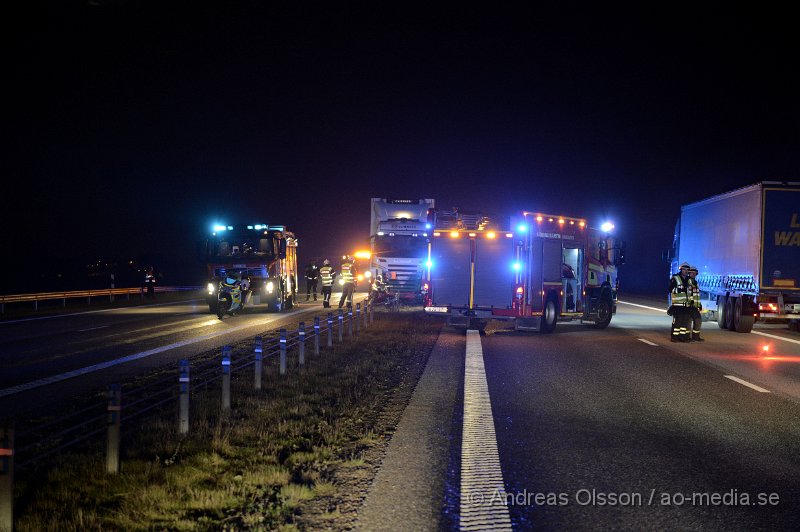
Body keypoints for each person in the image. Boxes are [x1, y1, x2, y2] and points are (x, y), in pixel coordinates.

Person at [668, 262, 691, 342]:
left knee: (684, 323)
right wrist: (681, 290)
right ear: (681, 269)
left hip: (686, 305)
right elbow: (671, 289)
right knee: (677, 322)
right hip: (678, 305)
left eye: (687, 270)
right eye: (684, 269)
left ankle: (682, 337)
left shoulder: (688, 280)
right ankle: (674, 337)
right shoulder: (675, 278)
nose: (686, 271)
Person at [687, 266, 704, 341]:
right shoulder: (687, 282)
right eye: (692, 273)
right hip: (689, 305)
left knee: (698, 320)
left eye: (695, 273)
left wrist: (699, 304)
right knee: (688, 322)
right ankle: (687, 337)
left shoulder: (695, 282)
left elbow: (696, 295)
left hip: (694, 306)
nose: (693, 274)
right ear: (689, 273)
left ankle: (695, 337)